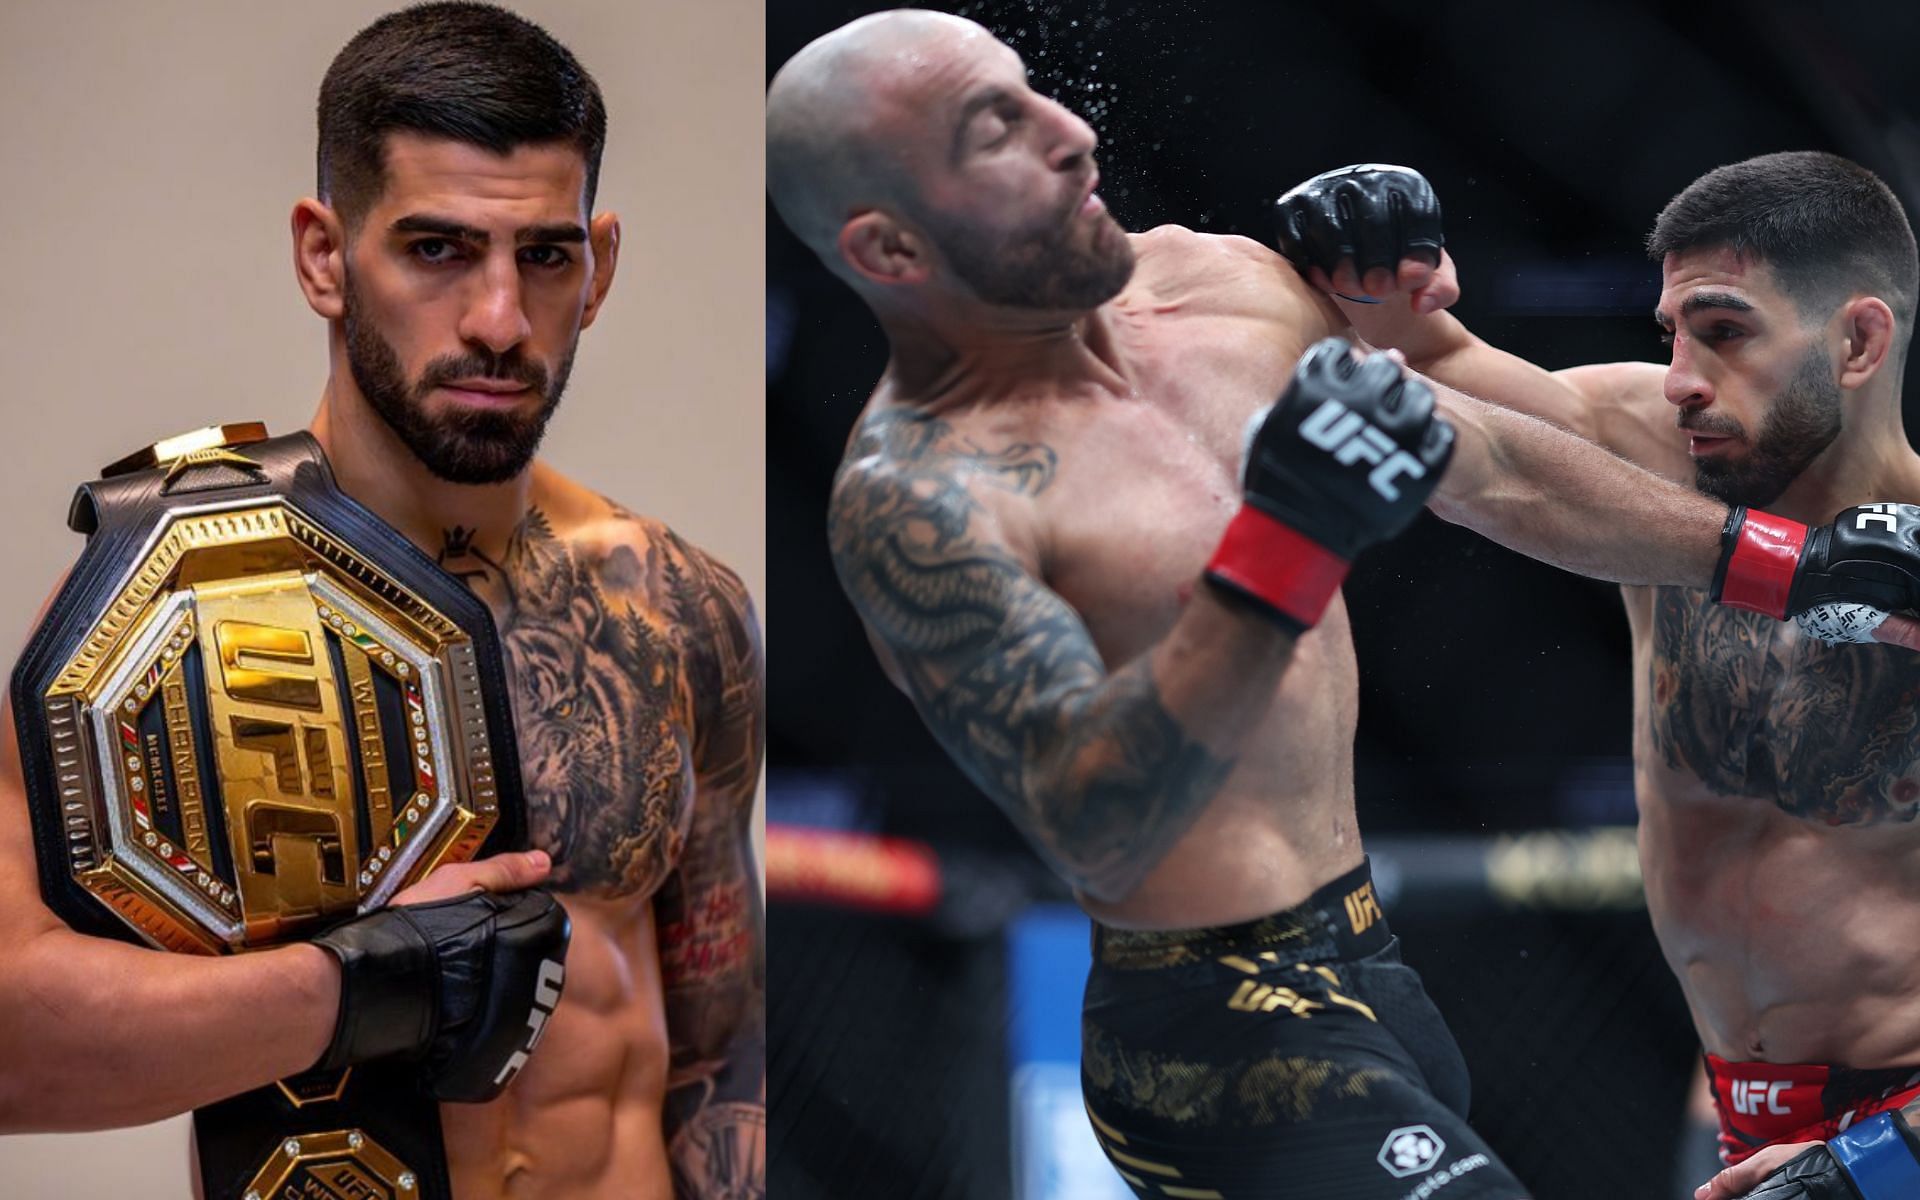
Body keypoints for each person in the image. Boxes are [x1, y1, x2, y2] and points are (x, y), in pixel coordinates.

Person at [767, 11, 1920, 1198]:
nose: (1071, 135)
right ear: (890, 249)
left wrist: (1801, 565)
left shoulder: (1222, 288)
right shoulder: (920, 500)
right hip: (1208, 1029)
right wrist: (1281, 548)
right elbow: (1091, 813)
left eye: (1036, 96)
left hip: (1377, 970)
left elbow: (1492, 460)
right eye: (995, 131)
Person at [0, 5, 764, 1199]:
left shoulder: (679, 608)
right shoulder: (162, 604)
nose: (499, 322)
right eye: (438, 249)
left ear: (599, 265)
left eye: (545, 256)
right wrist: (362, 986)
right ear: (324, 254)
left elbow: (722, 1053)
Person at [1274, 153, 1920, 1200]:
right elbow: (1428, 382)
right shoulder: (1658, 455)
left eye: (1725, 331)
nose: (1681, 381)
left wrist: (1886, 1162)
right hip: (1739, 1116)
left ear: (1857, 340)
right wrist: (1369, 274)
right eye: (1672, 336)